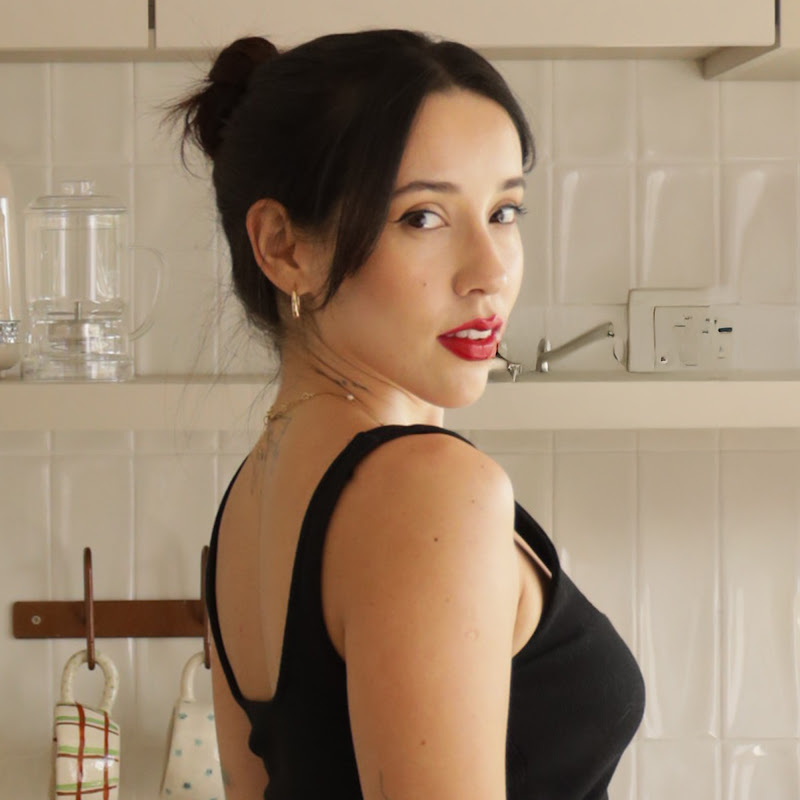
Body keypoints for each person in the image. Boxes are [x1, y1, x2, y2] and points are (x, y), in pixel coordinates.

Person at [172, 29, 644, 800]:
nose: (491, 271)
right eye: (423, 217)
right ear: (284, 247)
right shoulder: (428, 487)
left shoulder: (252, 498)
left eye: (504, 211)